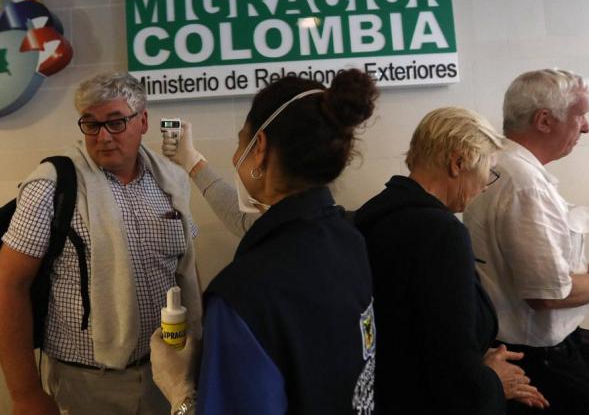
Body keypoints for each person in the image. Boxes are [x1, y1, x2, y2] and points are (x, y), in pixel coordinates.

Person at [150, 69, 378, 415]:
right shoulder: (347, 239)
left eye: (241, 141)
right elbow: (248, 219)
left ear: (259, 148)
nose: (234, 157)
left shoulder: (243, 296)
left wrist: (182, 391)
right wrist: (193, 163)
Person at [0, 72, 202, 415]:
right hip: (86, 384)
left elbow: (186, 267)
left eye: (115, 122)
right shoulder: (51, 185)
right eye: (91, 124)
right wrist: (25, 393)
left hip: (167, 374)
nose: (103, 137)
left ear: (143, 121)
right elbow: (8, 284)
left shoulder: (171, 181)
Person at [354, 107, 549, 414]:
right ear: (458, 162)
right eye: (489, 171)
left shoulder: (375, 213)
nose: (487, 184)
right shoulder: (441, 233)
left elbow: (413, 330)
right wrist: (493, 380)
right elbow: (449, 364)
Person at [463, 69, 589, 414]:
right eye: (580, 114)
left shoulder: (503, 166)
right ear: (543, 120)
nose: (586, 126)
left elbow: (545, 266)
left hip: (527, 351)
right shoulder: (525, 185)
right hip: (540, 361)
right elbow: (547, 293)